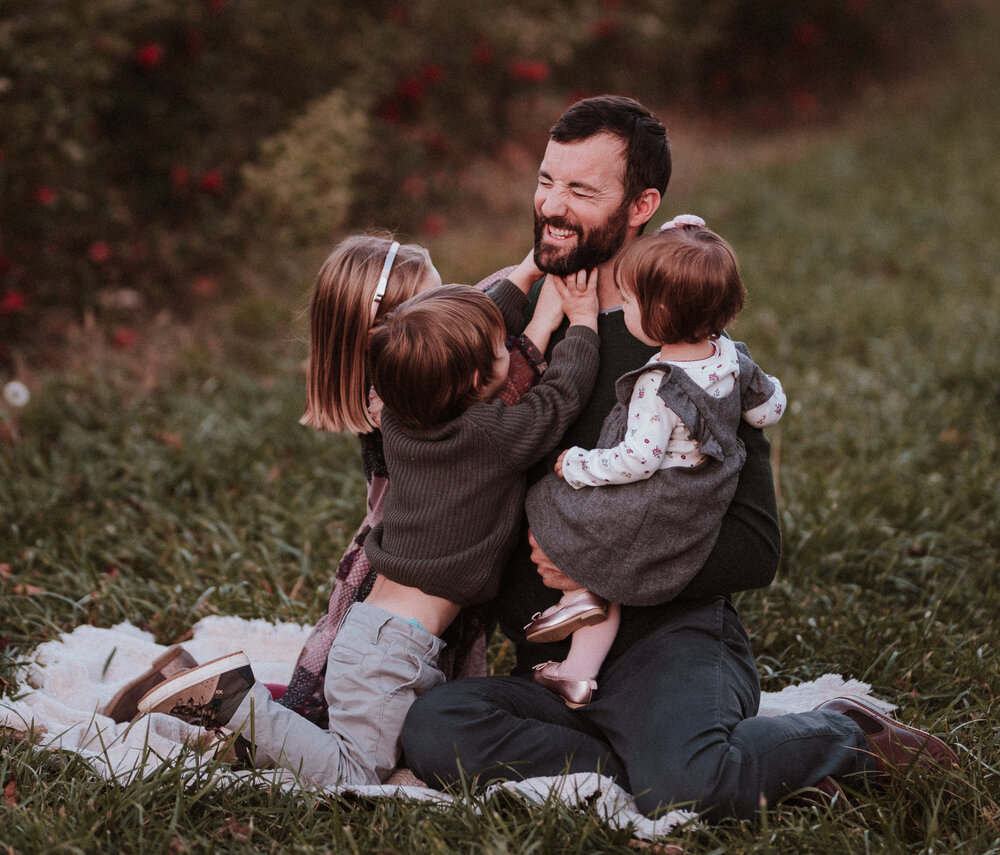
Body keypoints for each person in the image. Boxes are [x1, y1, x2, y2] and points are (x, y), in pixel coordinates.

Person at [401, 94, 959, 818]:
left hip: (672, 639)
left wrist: (602, 563)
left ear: (643, 204)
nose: (552, 206)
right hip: (558, 665)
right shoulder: (496, 331)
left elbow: (754, 548)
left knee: (685, 788)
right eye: (546, 180)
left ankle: (842, 733)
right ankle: (657, 760)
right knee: (434, 728)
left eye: (581, 190)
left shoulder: (689, 350)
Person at [133, 241, 602, 788]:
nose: (513, 351)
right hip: (392, 649)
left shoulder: (400, 420)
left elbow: (470, 336)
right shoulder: (490, 438)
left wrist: (524, 276)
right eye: (503, 350)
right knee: (360, 772)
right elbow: (560, 398)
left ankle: (196, 708)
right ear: (476, 381)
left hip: (381, 637)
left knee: (361, 753)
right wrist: (585, 326)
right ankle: (230, 703)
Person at [524, 219, 785, 709]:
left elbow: (638, 460)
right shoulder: (731, 357)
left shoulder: (657, 385)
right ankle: (579, 667)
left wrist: (579, 463)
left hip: (655, 498)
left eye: (632, 302)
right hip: (703, 491)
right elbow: (767, 408)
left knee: (552, 503)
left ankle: (579, 599)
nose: (625, 310)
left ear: (660, 313)